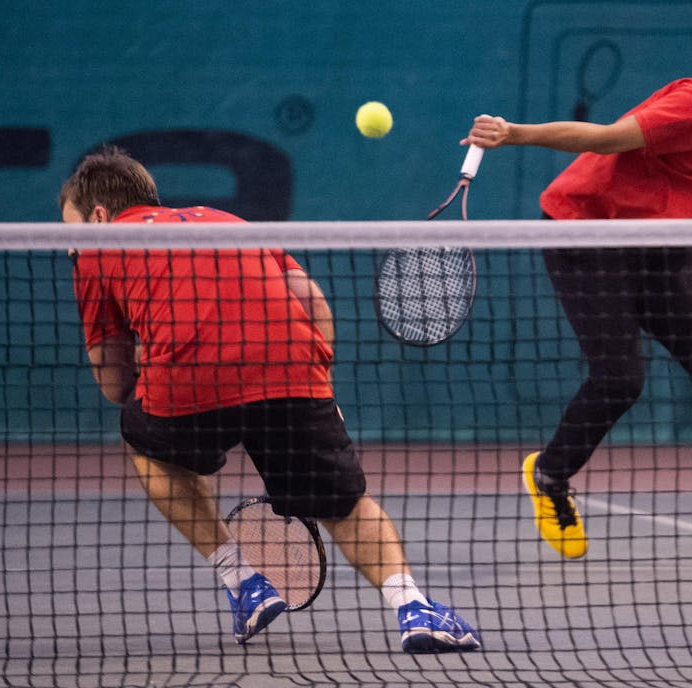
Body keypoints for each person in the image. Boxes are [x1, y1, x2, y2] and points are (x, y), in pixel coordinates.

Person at [60, 146, 481, 653]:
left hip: (185, 381)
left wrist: (146, 356)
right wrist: (318, 389)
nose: (70, 245)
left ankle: (243, 582)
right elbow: (311, 300)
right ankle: (414, 608)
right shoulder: (228, 221)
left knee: (142, 438)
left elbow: (114, 383)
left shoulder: (97, 250)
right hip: (292, 372)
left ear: (98, 216)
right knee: (345, 507)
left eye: (71, 232)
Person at [461, 22, 692, 557]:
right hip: (587, 230)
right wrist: (514, 133)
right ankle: (549, 475)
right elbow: (607, 138)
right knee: (621, 378)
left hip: (657, 239)